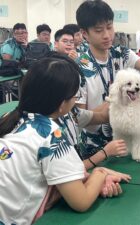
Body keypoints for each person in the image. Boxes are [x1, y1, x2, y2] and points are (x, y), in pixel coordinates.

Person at [0, 56, 129, 224]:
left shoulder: (10, 118)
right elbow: (81, 202)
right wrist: (100, 174)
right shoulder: (52, 136)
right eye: (76, 95)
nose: (77, 99)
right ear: (62, 104)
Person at [75, 0, 140, 159]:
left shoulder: (121, 54)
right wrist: (105, 112)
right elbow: (77, 116)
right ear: (84, 34)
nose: (107, 35)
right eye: (98, 30)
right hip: (95, 149)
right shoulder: (78, 68)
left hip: (128, 141)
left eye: (109, 27)